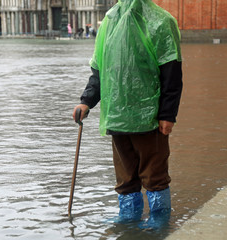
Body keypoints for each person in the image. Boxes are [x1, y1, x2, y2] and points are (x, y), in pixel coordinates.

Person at [72, 0, 182, 225]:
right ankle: (129, 218)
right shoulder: (110, 21)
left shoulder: (161, 21)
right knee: (125, 174)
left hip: (149, 118)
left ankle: (159, 220)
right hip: (118, 117)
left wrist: (167, 114)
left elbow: (171, 73)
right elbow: (100, 70)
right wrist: (86, 102)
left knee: (154, 173)